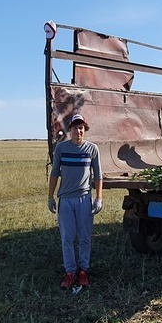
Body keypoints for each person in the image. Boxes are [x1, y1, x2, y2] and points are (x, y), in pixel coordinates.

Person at [48, 114, 103, 290]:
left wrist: (99, 198)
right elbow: (55, 173)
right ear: (69, 130)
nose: (78, 131)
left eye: (81, 128)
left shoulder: (92, 149)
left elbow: (98, 175)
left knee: (85, 237)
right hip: (65, 200)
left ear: (85, 130)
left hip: (84, 199)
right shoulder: (61, 149)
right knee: (67, 238)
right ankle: (70, 272)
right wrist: (50, 197)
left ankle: (83, 271)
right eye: (74, 127)